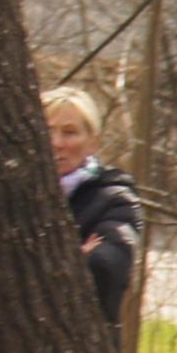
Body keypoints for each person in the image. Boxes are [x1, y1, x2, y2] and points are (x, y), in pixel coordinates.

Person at [51, 85, 142, 329]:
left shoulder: (114, 196)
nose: (56, 143)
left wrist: (60, 262)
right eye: (47, 130)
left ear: (93, 143)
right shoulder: (13, 192)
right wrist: (73, 257)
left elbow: (108, 267)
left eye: (69, 133)